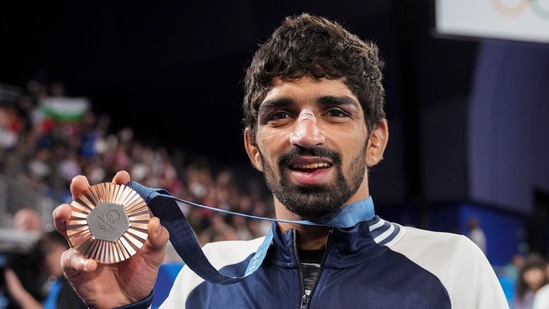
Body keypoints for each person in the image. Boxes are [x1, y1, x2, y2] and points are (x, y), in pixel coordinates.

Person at [52, 13, 508, 308]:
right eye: (281, 114)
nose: (306, 135)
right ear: (253, 147)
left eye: (334, 111)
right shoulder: (203, 279)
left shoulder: (453, 268)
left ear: (376, 140)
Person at [3, 230, 87, 309]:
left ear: (68, 248)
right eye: (43, 254)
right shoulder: (55, 284)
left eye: (50, 251)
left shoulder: (75, 286)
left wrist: (19, 293)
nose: (46, 259)